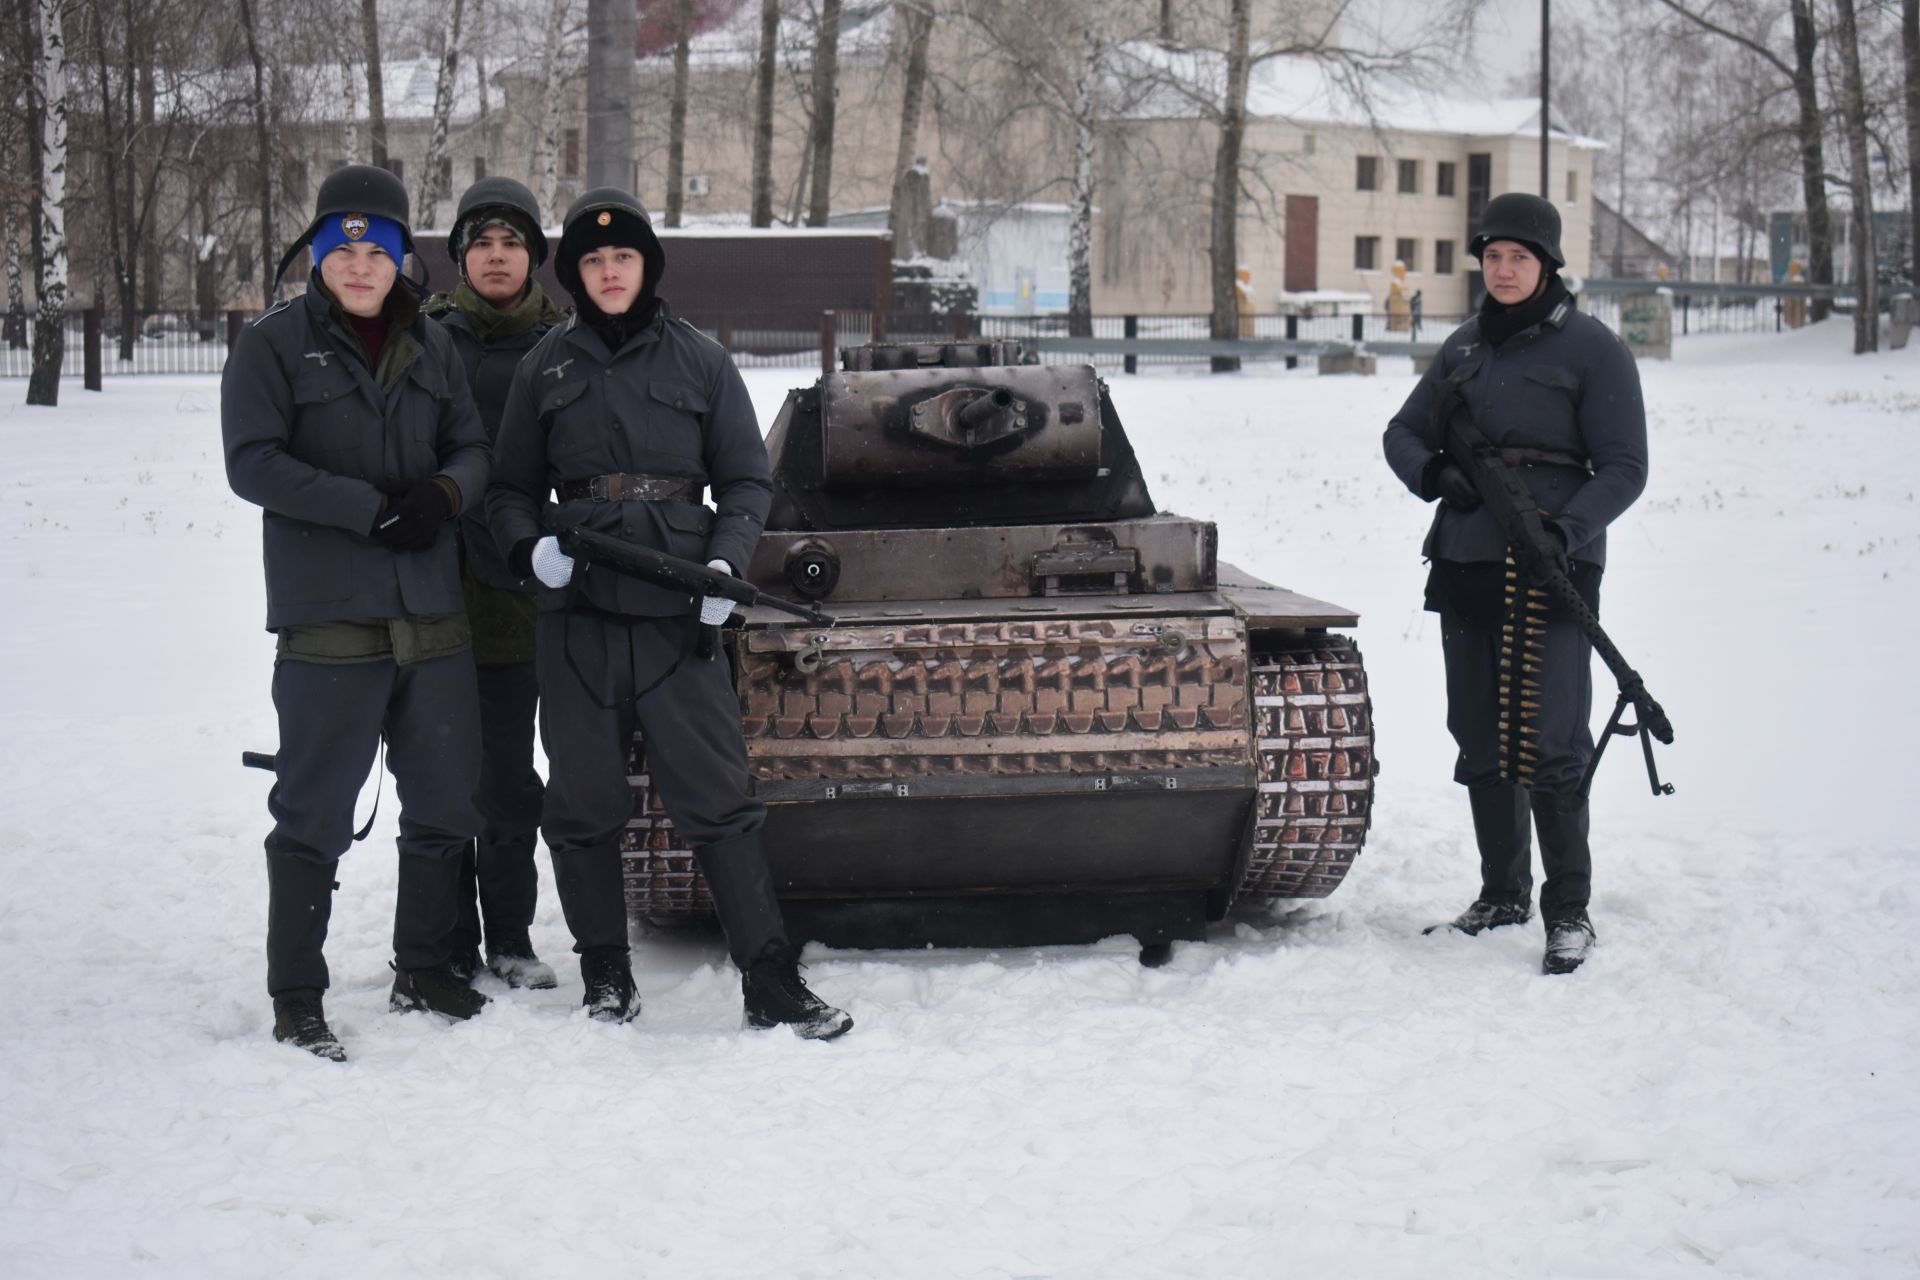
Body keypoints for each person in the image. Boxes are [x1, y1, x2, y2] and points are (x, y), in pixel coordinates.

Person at [487, 188, 853, 1039]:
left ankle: (771, 980)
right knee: (581, 807)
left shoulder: (700, 361)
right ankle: (606, 977)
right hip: (576, 619)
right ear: (575, 274)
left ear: (646, 266)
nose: (608, 271)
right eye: (591, 260)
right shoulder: (545, 366)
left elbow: (745, 481)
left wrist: (726, 564)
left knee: (720, 802)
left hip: (676, 618)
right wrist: (526, 551)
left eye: (622, 258)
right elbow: (508, 489)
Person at [223, 165, 492, 1060]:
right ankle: (297, 992)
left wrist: (447, 494)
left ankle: (422, 964)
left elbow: (471, 445)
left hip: (433, 615)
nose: (360, 263)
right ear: (320, 254)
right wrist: (364, 506)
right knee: (312, 815)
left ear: (399, 257)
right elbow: (252, 463)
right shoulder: (272, 345)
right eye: (344, 247)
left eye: (376, 248)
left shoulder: (435, 343)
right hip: (328, 617)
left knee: (448, 805)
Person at [1382, 193, 1647, 976]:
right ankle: (1502, 894)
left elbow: (1625, 468)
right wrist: (1435, 474)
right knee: (1479, 735)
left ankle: (1568, 912)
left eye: (1519, 258)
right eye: (1493, 256)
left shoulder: (1596, 352)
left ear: (1547, 266)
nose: (1503, 270)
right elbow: (1400, 432)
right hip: (1465, 563)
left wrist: (1565, 535)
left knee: (1554, 743)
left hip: (1552, 567)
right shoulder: (1462, 349)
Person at [422, 177, 567, 991]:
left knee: (508, 779)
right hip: (435, 588)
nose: (498, 256)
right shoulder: (429, 337)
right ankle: (444, 940)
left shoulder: (566, 339)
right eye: (482, 243)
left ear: (534, 257)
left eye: (512, 243)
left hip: (520, 585)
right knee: (442, 775)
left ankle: (510, 938)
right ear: (463, 259)